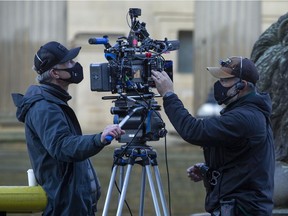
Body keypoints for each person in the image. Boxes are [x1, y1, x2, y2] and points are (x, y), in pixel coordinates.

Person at [12, 41, 125, 216]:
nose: (75, 65)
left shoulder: (54, 102)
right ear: (55, 73)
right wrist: (99, 138)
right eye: (69, 62)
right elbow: (62, 145)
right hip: (66, 207)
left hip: (75, 205)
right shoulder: (44, 107)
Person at [151, 56, 275, 215]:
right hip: (240, 207)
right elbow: (243, 162)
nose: (218, 85)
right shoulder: (249, 113)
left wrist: (169, 95)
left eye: (224, 81)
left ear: (241, 85)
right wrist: (208, 169)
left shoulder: (245, 118)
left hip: (242, 209)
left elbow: (194, 130)